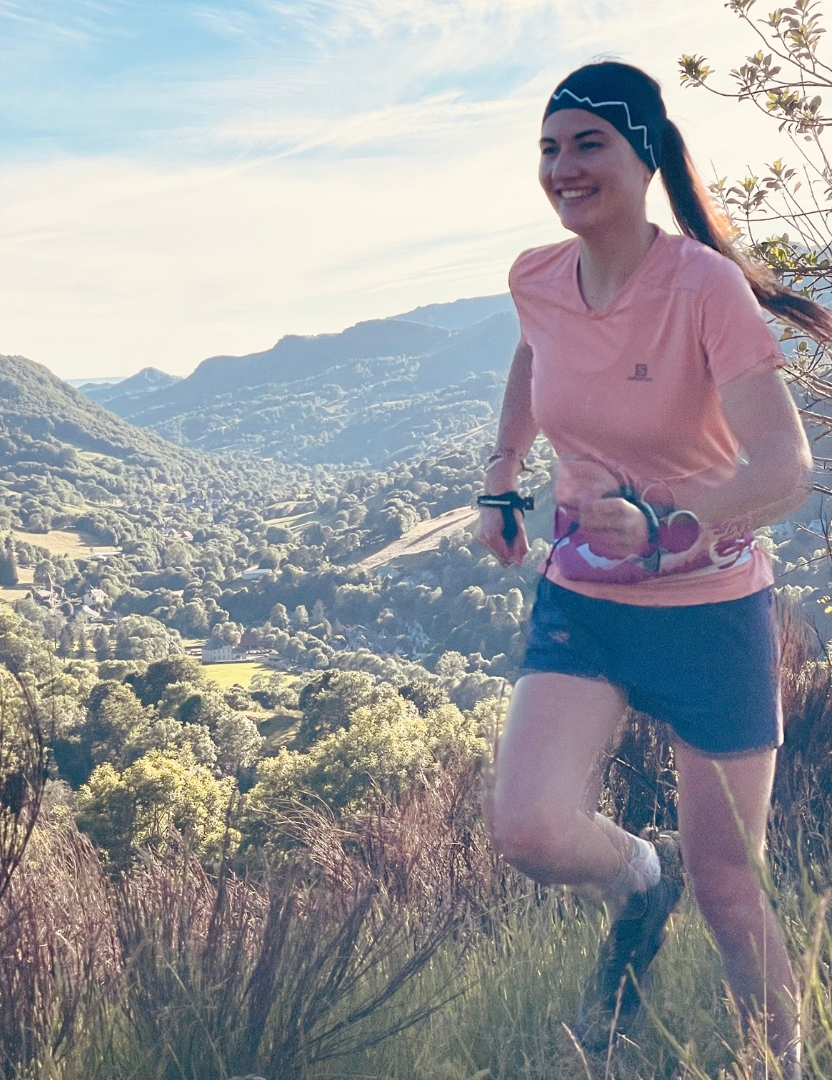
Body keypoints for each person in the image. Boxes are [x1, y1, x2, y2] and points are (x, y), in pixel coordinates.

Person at [476, 61, 830, 1072]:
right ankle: (637, 876)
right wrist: (503, 481)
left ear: (643, 154)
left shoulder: (702, 287)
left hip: (712, 610)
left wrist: (667, 521)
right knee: (532, 827)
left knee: (729, 886)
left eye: (587, 143)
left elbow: (786, 469)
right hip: (584, 599)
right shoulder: (536, 277)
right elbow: (532, 357)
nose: (563, 167)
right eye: (549, 148)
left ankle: (783, 1066)